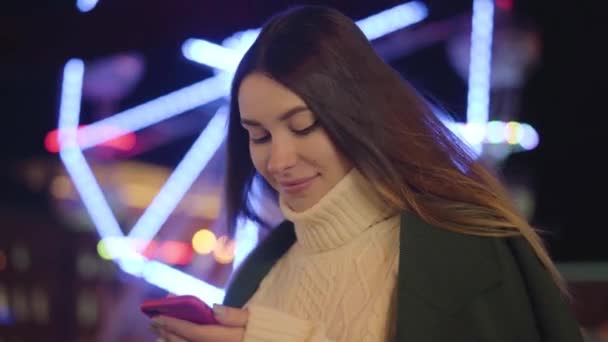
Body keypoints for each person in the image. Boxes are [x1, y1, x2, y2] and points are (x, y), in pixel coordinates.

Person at [150, 5, 584, 342]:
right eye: (259, 136)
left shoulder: (462, 253)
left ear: (358, 115)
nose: (279, 160)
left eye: (304, 126)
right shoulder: (257, 275)